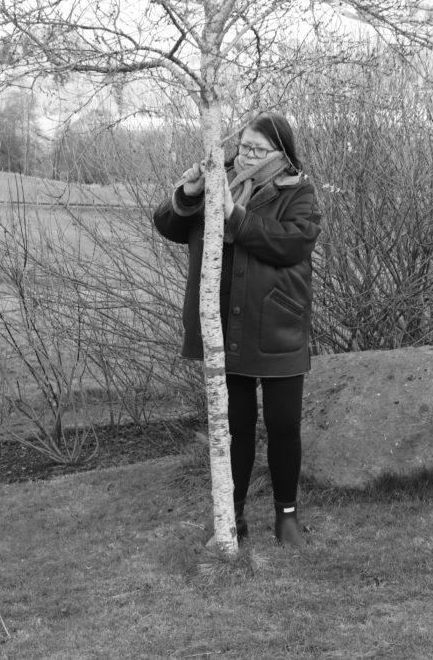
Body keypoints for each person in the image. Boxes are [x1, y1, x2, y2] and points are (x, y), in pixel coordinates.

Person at [153, 111, 322, 547]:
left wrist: (235, 216)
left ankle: (287, 519)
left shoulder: (298, 190)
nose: (246, 155)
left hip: (278, 324)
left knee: (284, 425)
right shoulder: (218, 179)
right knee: (236, 426)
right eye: (244, 145)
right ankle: (234, 518)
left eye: (258, 149)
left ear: (280, 153)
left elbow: (293, 243)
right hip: (226, 325)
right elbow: (167, 225)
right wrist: (188, 194)